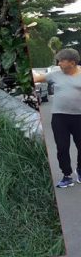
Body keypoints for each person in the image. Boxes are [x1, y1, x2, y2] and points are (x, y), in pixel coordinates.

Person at [33, 48, 81, 188]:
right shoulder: (55, 75)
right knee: (62, 147)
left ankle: (80, 170)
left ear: (72, 62)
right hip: (60, 117)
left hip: (79, 117)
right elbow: (37, 78)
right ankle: (67, 176)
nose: (59, 63)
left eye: (61, 61)